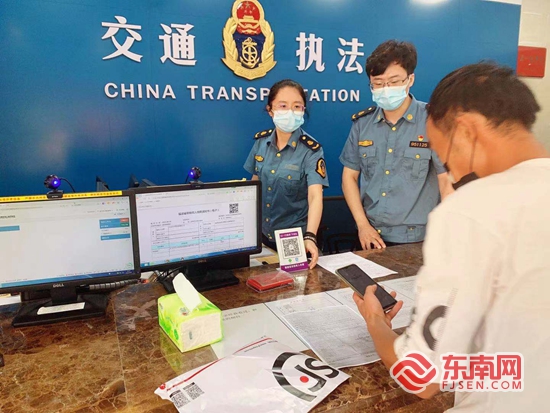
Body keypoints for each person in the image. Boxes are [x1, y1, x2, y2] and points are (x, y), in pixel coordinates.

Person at [353, 62, 550, 411]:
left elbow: (421, 377)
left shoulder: (472, 209)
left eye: (444, 154)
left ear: (467, 130)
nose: (452, 174)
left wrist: (376, 322)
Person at [340, 40, 453, 250]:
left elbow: (446, 181)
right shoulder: (362, 124)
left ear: (410, 79)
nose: (386, 89)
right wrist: (362, 225)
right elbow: (349, 177)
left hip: (419, 238)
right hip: (370, 235)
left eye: (393, 81)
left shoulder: (432, 121)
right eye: (378, 83)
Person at [243, 79, 328, 268]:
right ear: (270, 110)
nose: (290, 112)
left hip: (294, 239)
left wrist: (310, 237)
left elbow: (315, 196)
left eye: (297, 106)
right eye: (283, 106)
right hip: (261, 236)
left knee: (296, 284)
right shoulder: (260, 143)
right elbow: (254, 184)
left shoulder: (311, 150)